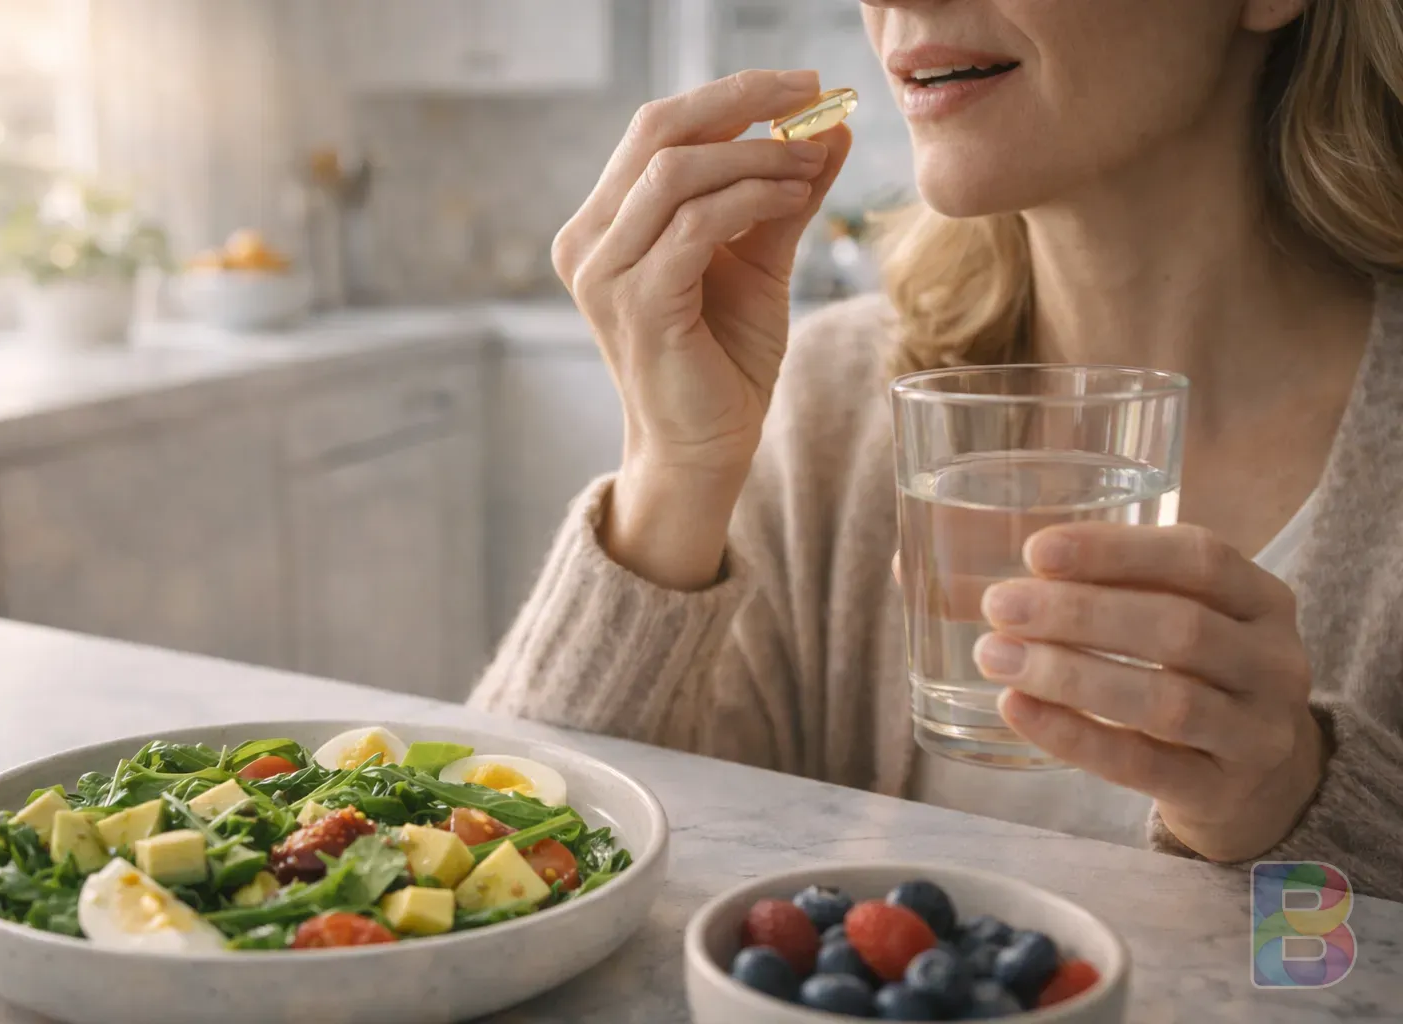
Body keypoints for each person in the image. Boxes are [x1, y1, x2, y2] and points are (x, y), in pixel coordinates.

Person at [470, 0, 1403, 899]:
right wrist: (671, 470)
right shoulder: (830, 400)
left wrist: (1295, 810)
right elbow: (499, 879)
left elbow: (1322, 974)